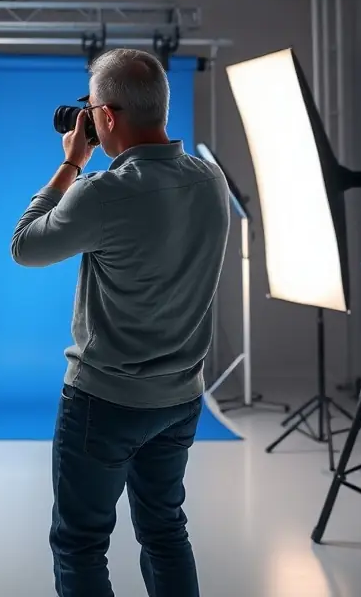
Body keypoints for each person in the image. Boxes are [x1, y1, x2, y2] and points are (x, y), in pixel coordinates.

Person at [11, 48, 230, 597]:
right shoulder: (211, 180)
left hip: (102, 404)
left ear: (105, 117)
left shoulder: (101, 192)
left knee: (81, 544)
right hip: (180, 400)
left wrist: (71, 163)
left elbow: (24, 246)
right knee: (164, 531)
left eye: (92, 110)